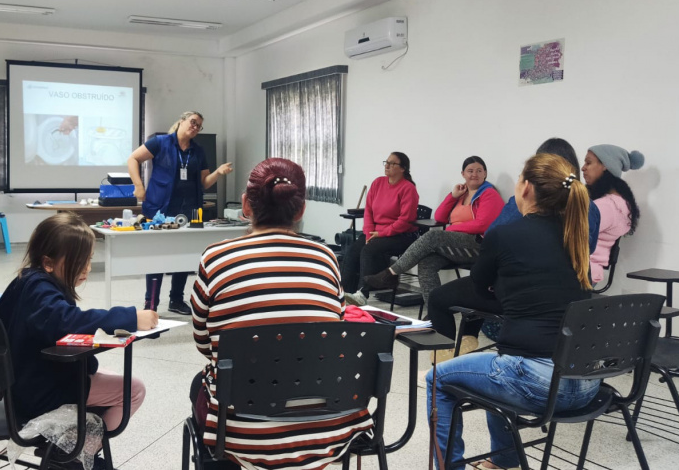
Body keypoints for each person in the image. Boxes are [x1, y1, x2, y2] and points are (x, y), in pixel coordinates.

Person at [191, 158, 371, 470]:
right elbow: (334, 331)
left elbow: (206, 345)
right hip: (326, 429)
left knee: (200, 384)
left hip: (242, 435)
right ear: (300, 210)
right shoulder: (326, 258)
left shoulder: (216, 257)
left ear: (246, 206)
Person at [427, 153, 600, 470]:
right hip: (589, 383)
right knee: (499, 364)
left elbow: (479, 286)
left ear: (527, 189)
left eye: (520, 179)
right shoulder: (575, 236)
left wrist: (505, 287)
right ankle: (503, 463)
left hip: (540, 384)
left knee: (437, 379)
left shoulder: (504, 235)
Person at [427, 138, 602, 352]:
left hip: (521, 300)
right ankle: (468, 337)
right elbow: (587, 250)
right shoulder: (587, 206)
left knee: (450, 294)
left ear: (530, 183)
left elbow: (492, 244)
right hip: (568, 302)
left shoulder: (521, 207)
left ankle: (443, 361)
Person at [0, 213, 158, 432]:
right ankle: (80, 453)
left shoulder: (26, 281)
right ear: (48, 263)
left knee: (105, 373)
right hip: (39, 392)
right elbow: (68, 322)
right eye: (79, 262)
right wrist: (130, 317)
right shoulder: (40, 291)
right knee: (134, 389)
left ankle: (74, 445)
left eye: (88, 259)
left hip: (21, 383)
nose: (86, 268)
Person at [346, 156, 504, 306]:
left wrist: (451, 229)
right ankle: (434, 310)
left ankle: (390, 274)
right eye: (470, 171)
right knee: (426, 263)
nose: (475, 174)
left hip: (477, 245)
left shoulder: (489, 194)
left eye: (479, 170)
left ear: (485, 173)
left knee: (433, 235)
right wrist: (453, 196)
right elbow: (440, 216)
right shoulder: (462, 195)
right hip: (455, 246)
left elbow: (482, 225)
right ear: (463, 174)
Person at [127, 111, 233, 315]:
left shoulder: (198, 151)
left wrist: (218, 173)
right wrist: (138, 186)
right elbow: (133, 159)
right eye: (193, 122)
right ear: (181, 121)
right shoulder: (160, 142)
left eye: (199, 126)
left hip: (192, 209)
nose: (195, 127)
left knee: (185, 254)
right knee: (157, 256)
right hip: (160, 207)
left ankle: (176, 299)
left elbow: (203, 183)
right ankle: (151, 304)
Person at [339, 152, 419, 294]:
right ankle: (343, 293)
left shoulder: (408, 189)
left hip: (401, 235)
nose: (387, 165)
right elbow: (368, 210)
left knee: (368, 250)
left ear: (403, 168)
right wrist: (369, 232)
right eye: (386, 162)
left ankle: (361, 294)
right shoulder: (378, 183)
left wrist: (381, 233)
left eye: (392, 163)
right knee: (352, 251)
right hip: (375, 233)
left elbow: (405, 221)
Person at [582, 144, 643, 284]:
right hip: (590, 271)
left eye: (588, 162)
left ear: (606, 166)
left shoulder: (606, 206)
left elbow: (573, 234)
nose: (583, 167)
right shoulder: (621, 204)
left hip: (581, 271)